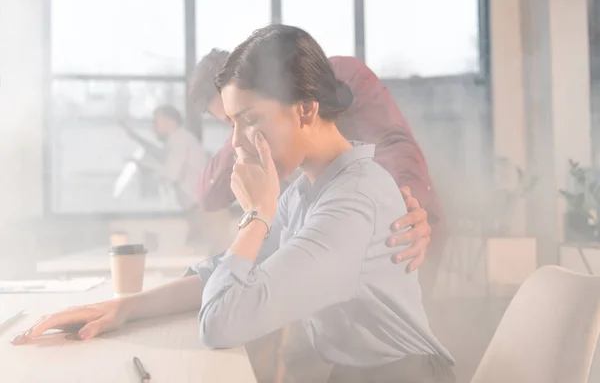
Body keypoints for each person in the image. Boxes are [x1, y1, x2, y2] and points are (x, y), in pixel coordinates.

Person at [13, 25, 454, 383]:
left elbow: (224, 321)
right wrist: (124, 308)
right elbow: (227, 272)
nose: (238, 144)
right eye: (231, 125)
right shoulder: (306, 190)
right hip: (354, 373)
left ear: (305, 109)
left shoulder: (351, 201)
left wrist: (257, 214)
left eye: (250, 121)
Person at [190, 50, 445, 297]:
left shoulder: (344, 76)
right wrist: (243, 127)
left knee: (405, 323)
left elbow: (393, 144)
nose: (238, 129)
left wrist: (405, 209)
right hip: (337, 241)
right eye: (230, 121)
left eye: (246, 113)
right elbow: (208, 195)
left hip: (405, 232)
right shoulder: (279, 168)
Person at [120, 105, 229, 253]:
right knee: (203, 258)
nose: (153, 128)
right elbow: (160, 155)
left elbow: (170, 174)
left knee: (213, 259)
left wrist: (149, 167)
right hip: (201, 210)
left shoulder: (179, 141)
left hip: (207, 212)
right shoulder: (177, 140)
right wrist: (134, 136)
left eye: (156, 122)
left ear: (169, 122)